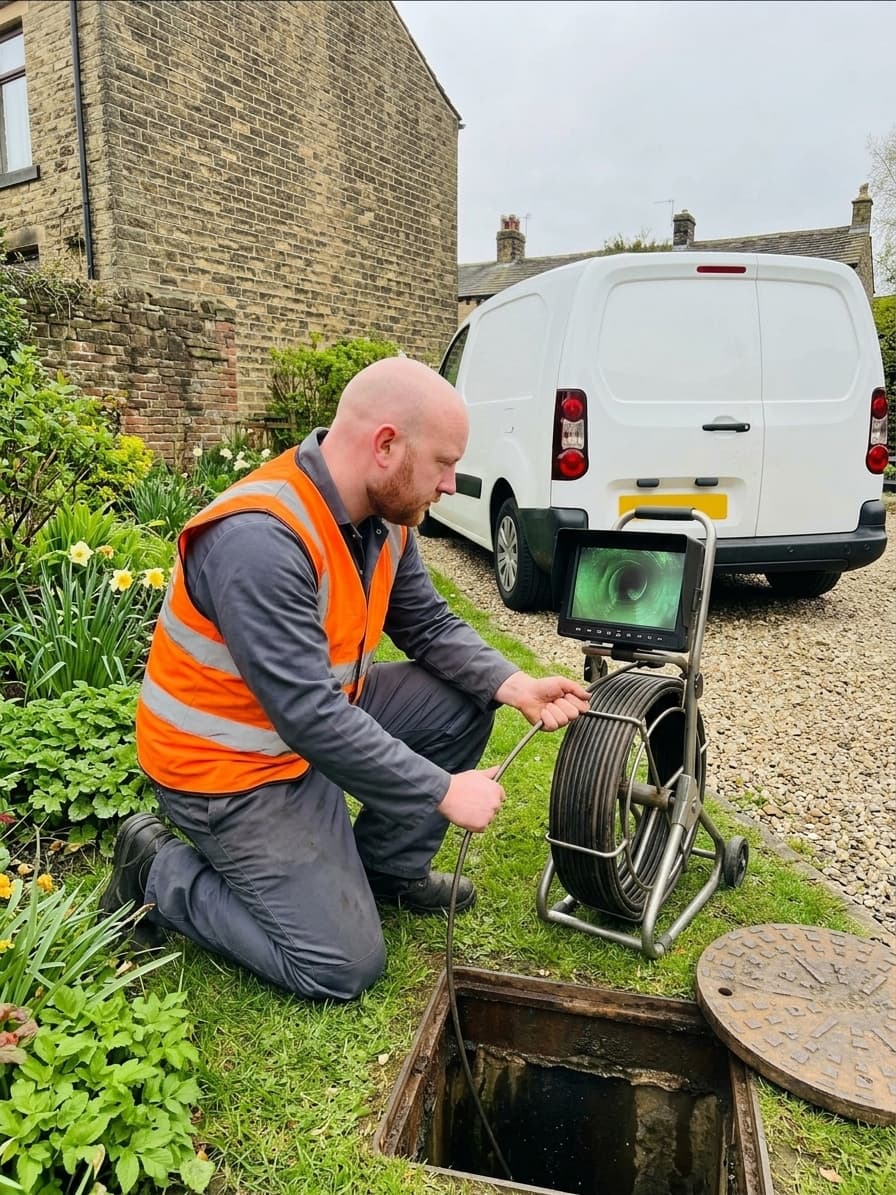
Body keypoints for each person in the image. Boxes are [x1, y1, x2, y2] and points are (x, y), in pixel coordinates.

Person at [101, 357, 589, 1001]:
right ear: (386, 445)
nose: (450, 484)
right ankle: (157, 871)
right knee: (340, 966)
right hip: (227, 770)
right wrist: (441, 790)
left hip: (303, 732)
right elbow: (307, 716)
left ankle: (385, 870)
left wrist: (513, 683)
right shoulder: (259, 539)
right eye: (443, 462)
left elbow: (428, 625)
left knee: (466, 700)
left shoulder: (383, 520)